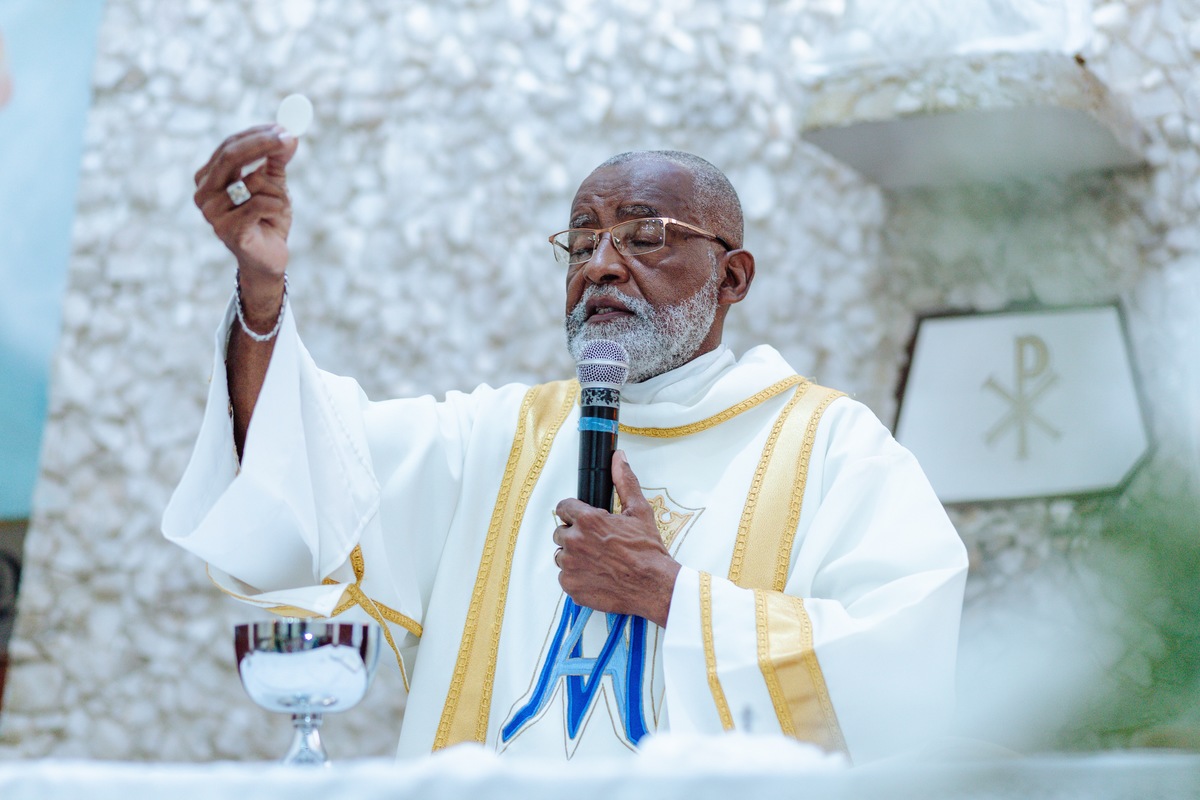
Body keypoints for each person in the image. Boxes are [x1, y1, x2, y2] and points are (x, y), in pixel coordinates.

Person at [164, 126, 968, 763]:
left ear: (733, 277)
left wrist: (671, 594)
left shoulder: (830, 447)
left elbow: (904, 669)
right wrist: (261, 293)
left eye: (644, 237)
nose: (601, 267)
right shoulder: (498, 438)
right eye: (581, 245)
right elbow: (299, 468)